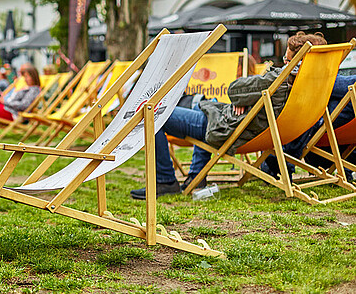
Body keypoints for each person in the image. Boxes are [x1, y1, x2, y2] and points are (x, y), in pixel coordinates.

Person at [129, 31, 328, 200]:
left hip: (227, 126)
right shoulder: (310, 85)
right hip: (240, 123)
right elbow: (240, 96)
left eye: (287, 60)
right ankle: (196, 178)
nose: (283, 63)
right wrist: (246, 100)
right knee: (208, 106)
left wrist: (245, 98)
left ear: (296, 63)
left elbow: (234, 90)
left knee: (151, 113)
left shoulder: (279, 80)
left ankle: (164, 180)